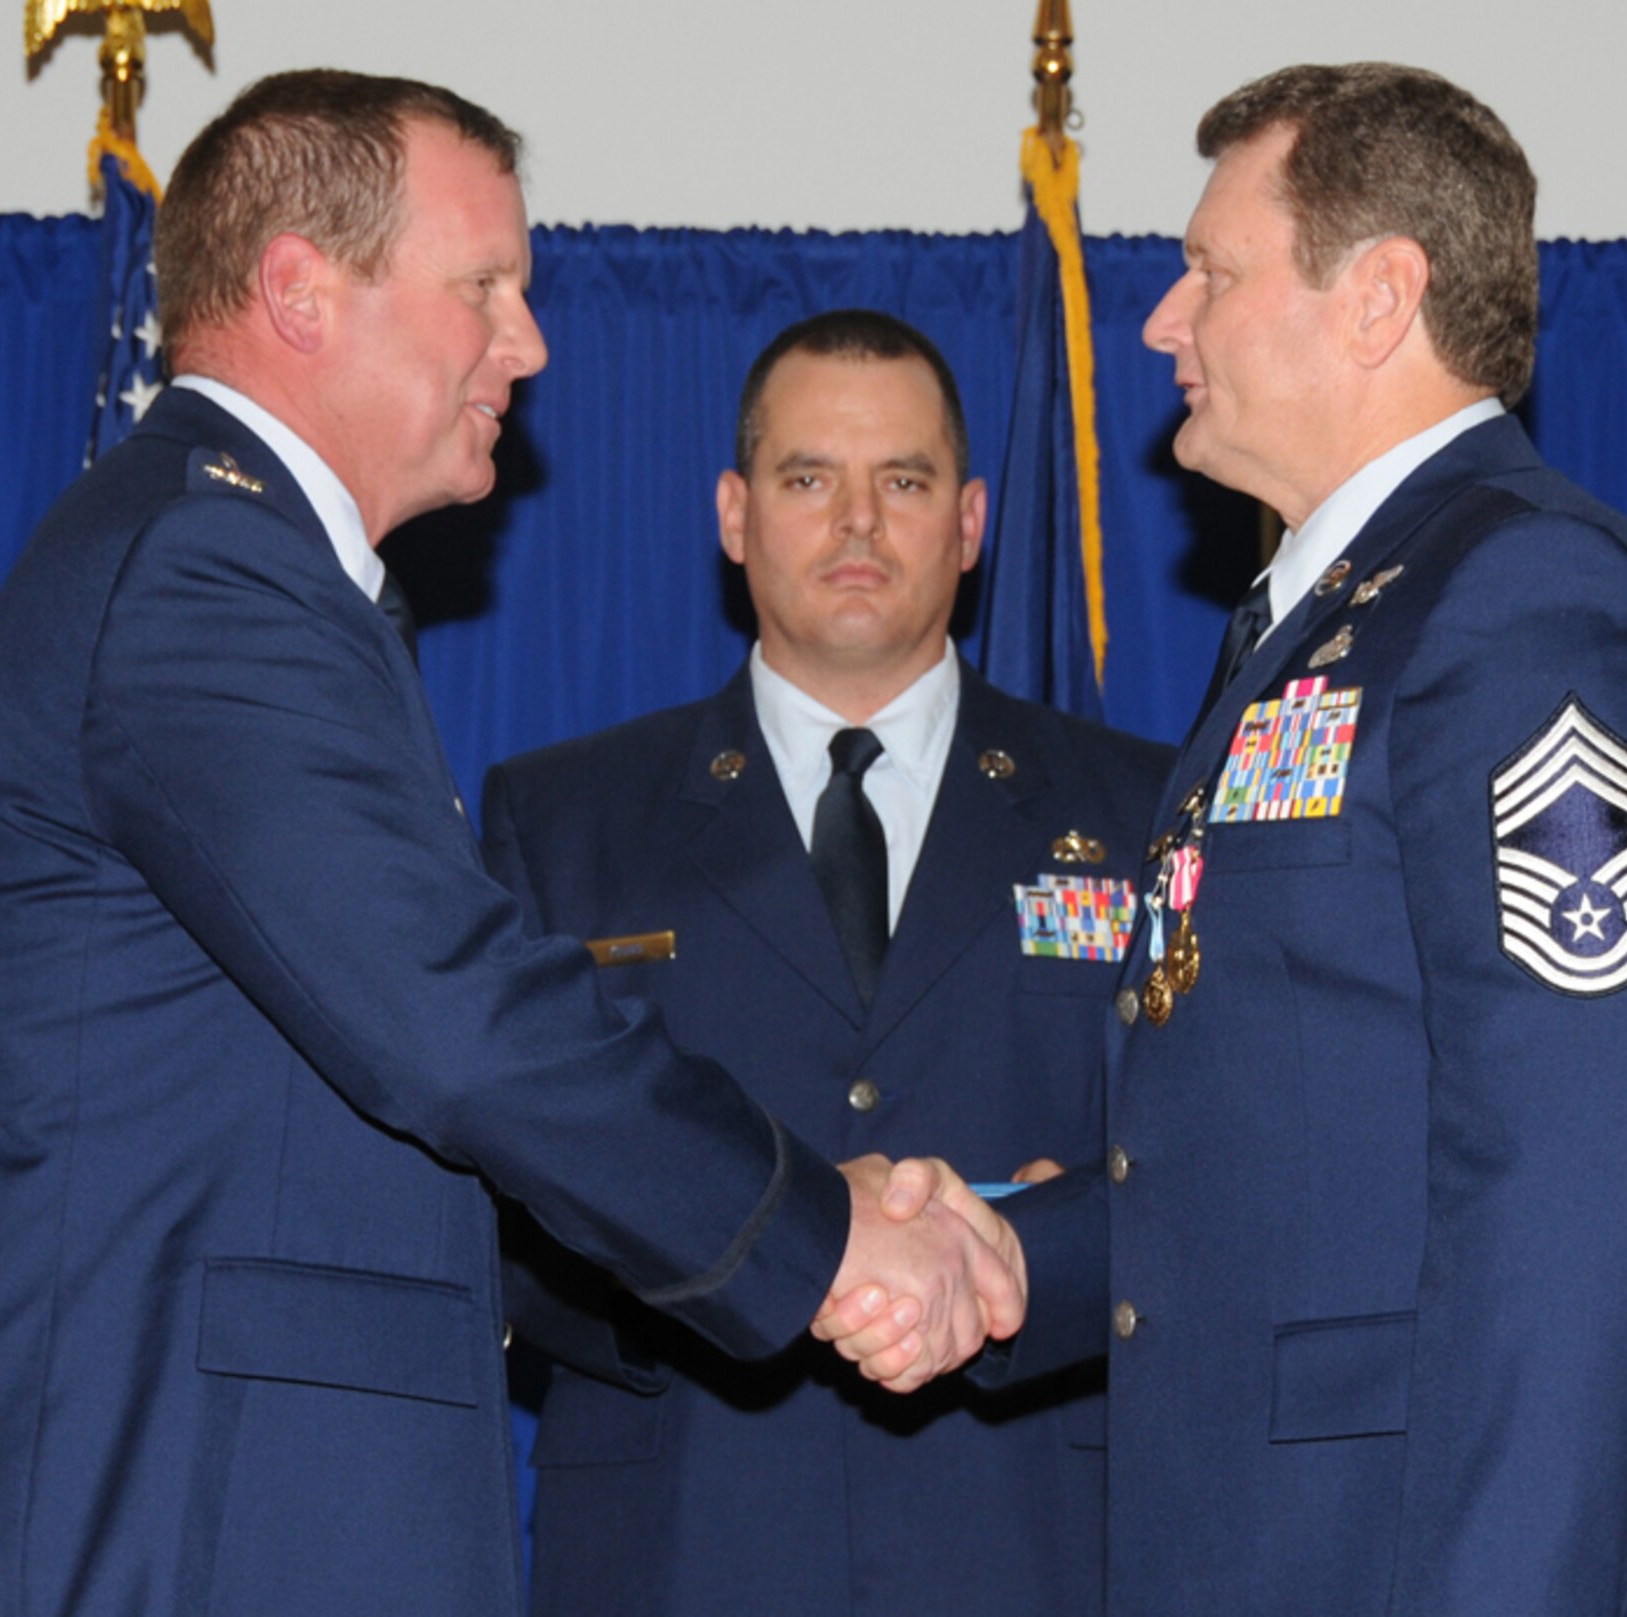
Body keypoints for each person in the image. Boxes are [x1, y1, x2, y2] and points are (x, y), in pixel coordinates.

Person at [0, 72, 1023, 1617]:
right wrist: (823, 1227)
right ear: (300, 292)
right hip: (148, 1521)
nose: (525, 343)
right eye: (486, 289)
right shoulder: (205, 570)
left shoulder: (258, 575)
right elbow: (458, 1022)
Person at [822, 62, 1627, 1615]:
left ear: (1377, 297)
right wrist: (1016, 1259)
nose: (1160, 320)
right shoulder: (1332, 624)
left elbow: (1583, 1221)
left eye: (1211, 269)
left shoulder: (1534, 611)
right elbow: (1287, 1159)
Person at [482, 309, 1171, 1615]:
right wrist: (762, 1256)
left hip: (1038, 1542)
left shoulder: (1142, 810)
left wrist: (1038, 1254)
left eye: (903, 482)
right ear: (734, 514)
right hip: (687, 1540)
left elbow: (1222, 1168)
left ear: (970, 523)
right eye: (809, 479)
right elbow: (488, 1203)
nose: (859, 524)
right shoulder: (565, 820)